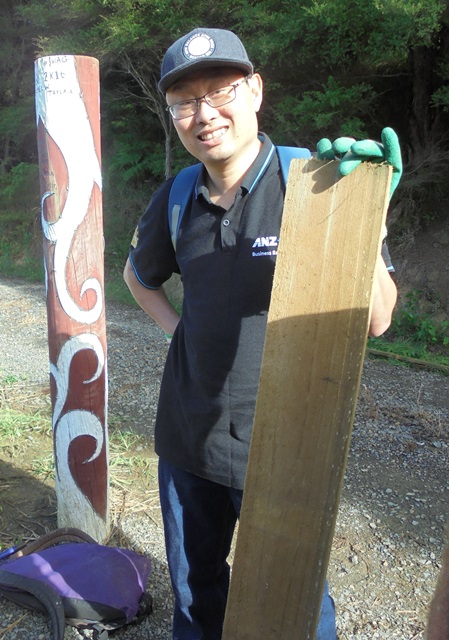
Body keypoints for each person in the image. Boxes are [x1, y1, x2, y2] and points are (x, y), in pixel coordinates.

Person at [123, 27, 400, 640]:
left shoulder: (318, 180)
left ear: (254, 91)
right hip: (189, 440)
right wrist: (179, 331)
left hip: (287, 445)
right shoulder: (176, 196)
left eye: (220, 91)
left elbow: (378, 320)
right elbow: (137, 276)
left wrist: (368, 221)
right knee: (196, 598)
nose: (204, 114)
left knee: (295, 602)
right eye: (185, 101)